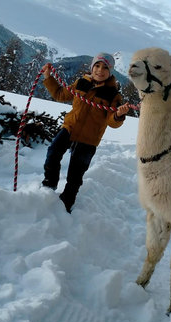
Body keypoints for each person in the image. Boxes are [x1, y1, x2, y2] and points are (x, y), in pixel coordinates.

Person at [41, 53, 130, 213]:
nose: (100, 70)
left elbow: (112, 121)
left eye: (105, 68)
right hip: (70, 127)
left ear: (110, 71)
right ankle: (49, 183)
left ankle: (67, 202)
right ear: (92, 67)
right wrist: (48, 78)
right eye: (97, 66)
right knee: (53, 152)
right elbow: (61, 94)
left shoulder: (113, 95)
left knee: (76, 172)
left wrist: (118, 114)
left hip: (89, 138)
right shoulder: (81, 83)